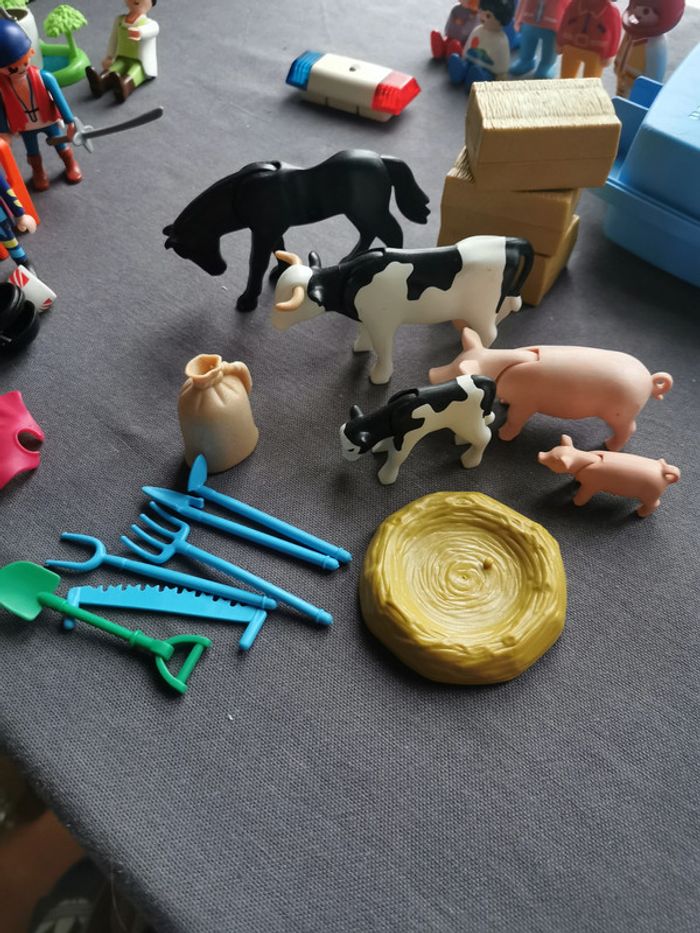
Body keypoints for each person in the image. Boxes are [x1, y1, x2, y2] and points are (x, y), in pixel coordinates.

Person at [0, 18, 81, 191]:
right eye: (12, 69)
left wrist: (70, 121)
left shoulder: (44, 77)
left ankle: (70, 164)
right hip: (24, 125)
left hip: (48, 118)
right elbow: (1, 110)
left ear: (30, 53)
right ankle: (38, 172)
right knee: (32, 152)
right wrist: (4, 132)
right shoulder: (2, 88)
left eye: (24, 63)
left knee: (61, 145)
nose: (20, 69)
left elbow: (59, 99)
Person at [85, 0, 159, 103]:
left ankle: (124, 87)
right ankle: (100, 82)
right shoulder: (119, 20)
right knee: (115, 68)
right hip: (122, 57)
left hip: (140, 62)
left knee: (134, 72)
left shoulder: (149, 24)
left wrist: (140, 32)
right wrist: (109, 56)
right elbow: (113, 39)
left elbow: (153, 30)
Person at [614, 0, 685, 96]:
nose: (638, 13)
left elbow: (655, 74)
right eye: (635, 7)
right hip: (623, 77)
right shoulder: (630, 33)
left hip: (638, 87)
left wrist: (648, 90)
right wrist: (617, 65)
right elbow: (622, 50)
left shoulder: (655, 45)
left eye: (646, 11)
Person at [447, 0, 515, 88]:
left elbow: (502, 64)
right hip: (470, 61)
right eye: (481, 11)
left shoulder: (501, 40)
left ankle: (476, 79)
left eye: (488, 16)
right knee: (465, 66)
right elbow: (469, 46)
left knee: (482, 74)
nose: (482, 17)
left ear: (502, 19)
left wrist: (501, 74)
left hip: (488, 70)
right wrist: (464, 56)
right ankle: (460, 70)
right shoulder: (478, 30)